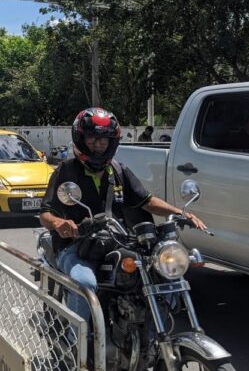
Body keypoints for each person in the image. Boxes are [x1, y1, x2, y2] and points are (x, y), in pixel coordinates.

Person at [40, 107, 206, 327]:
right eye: (92, 138)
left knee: (160, 272)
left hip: (114, 242)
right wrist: (59, 223)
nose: (98, 144)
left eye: (104, 140)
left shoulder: (119, 171)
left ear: (112, 142)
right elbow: (45, 213)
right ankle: (74, 342)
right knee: (86, 283)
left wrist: (179, 212)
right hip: (75, 245)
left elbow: (147, 200)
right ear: (81, 139)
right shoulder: (66, 171)